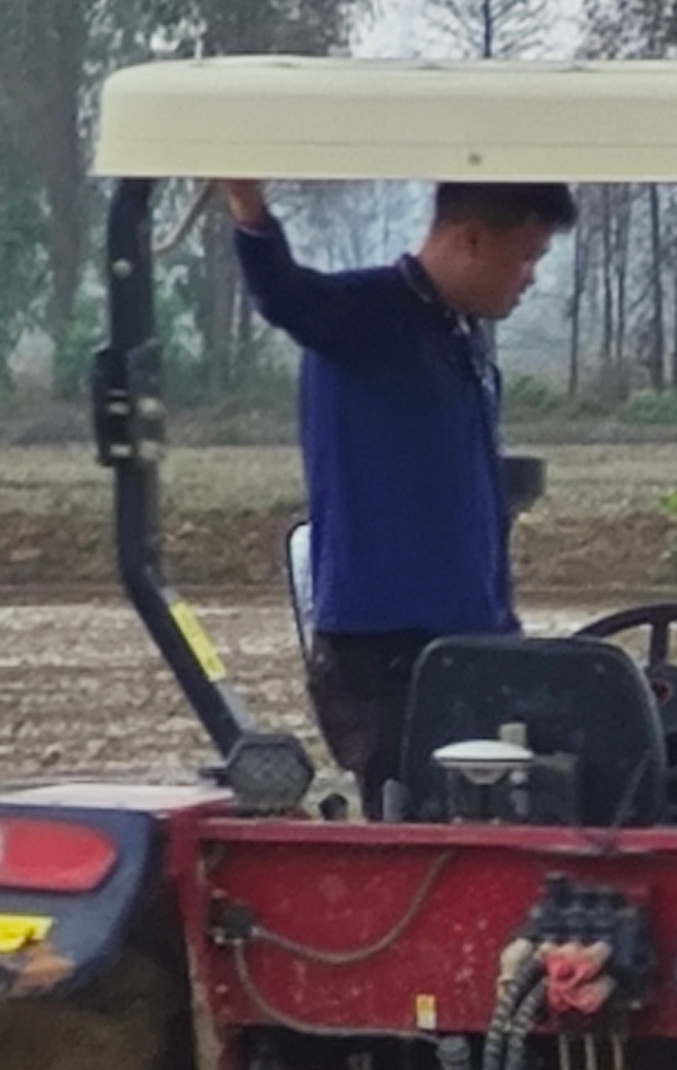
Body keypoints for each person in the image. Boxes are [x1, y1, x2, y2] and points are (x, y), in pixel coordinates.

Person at [218, 175, 576, 807]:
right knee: (417, 818)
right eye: (526, 257)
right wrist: (250, 210)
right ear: (472, 239)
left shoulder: (461, 341)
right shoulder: (362, 315)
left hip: (475, 636)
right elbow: (285, 295)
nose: (530, 278)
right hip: (387, 650)